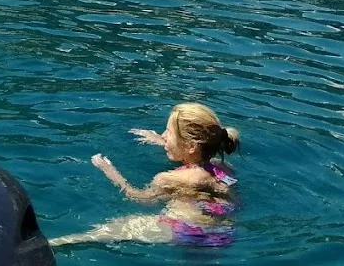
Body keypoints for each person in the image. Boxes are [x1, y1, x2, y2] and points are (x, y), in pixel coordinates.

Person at [49, 102, 240, 248]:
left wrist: (109, 171)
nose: (163, 135)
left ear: (190, 146)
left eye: (168, 132)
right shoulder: (224, 168)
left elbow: (139, 198)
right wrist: (164, 143)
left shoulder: (168, 179)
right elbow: (196, 165)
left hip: (186, 230)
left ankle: (58, 244)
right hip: (224, 232)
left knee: (107, 230)